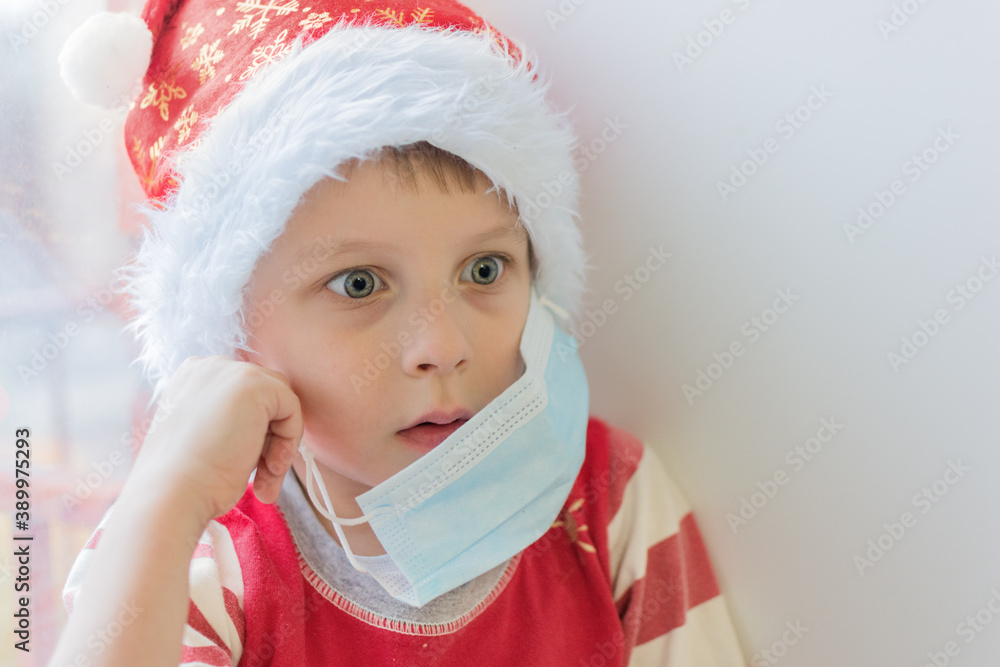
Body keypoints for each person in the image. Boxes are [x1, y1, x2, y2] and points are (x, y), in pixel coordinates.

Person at [50, 1, 746, 665]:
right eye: (359, 283)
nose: (442, 346)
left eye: (483, 268)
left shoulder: (611, 500)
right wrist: (166, 497)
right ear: (233, 336)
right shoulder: (183, 549)